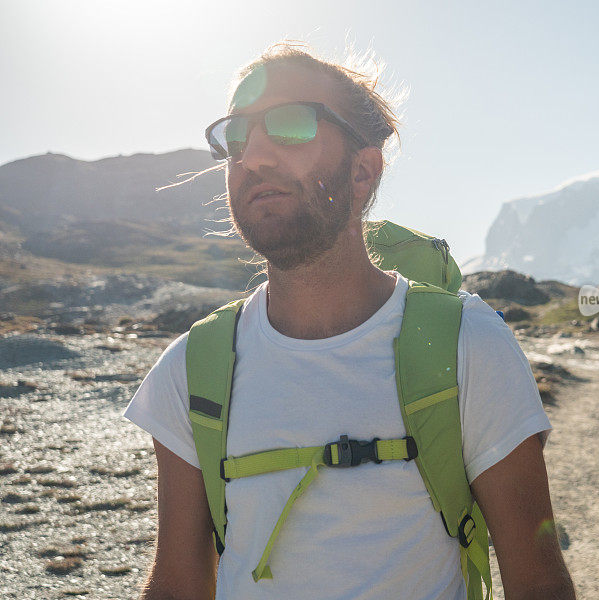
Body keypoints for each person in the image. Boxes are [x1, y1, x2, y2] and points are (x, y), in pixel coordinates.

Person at [123, 42, 576, 600]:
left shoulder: (468, 345)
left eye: (291, 126)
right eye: (236, 137)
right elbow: (176, 587)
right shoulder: (192, 367)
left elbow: (537, 582)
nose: (253, 155)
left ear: (363, 171)